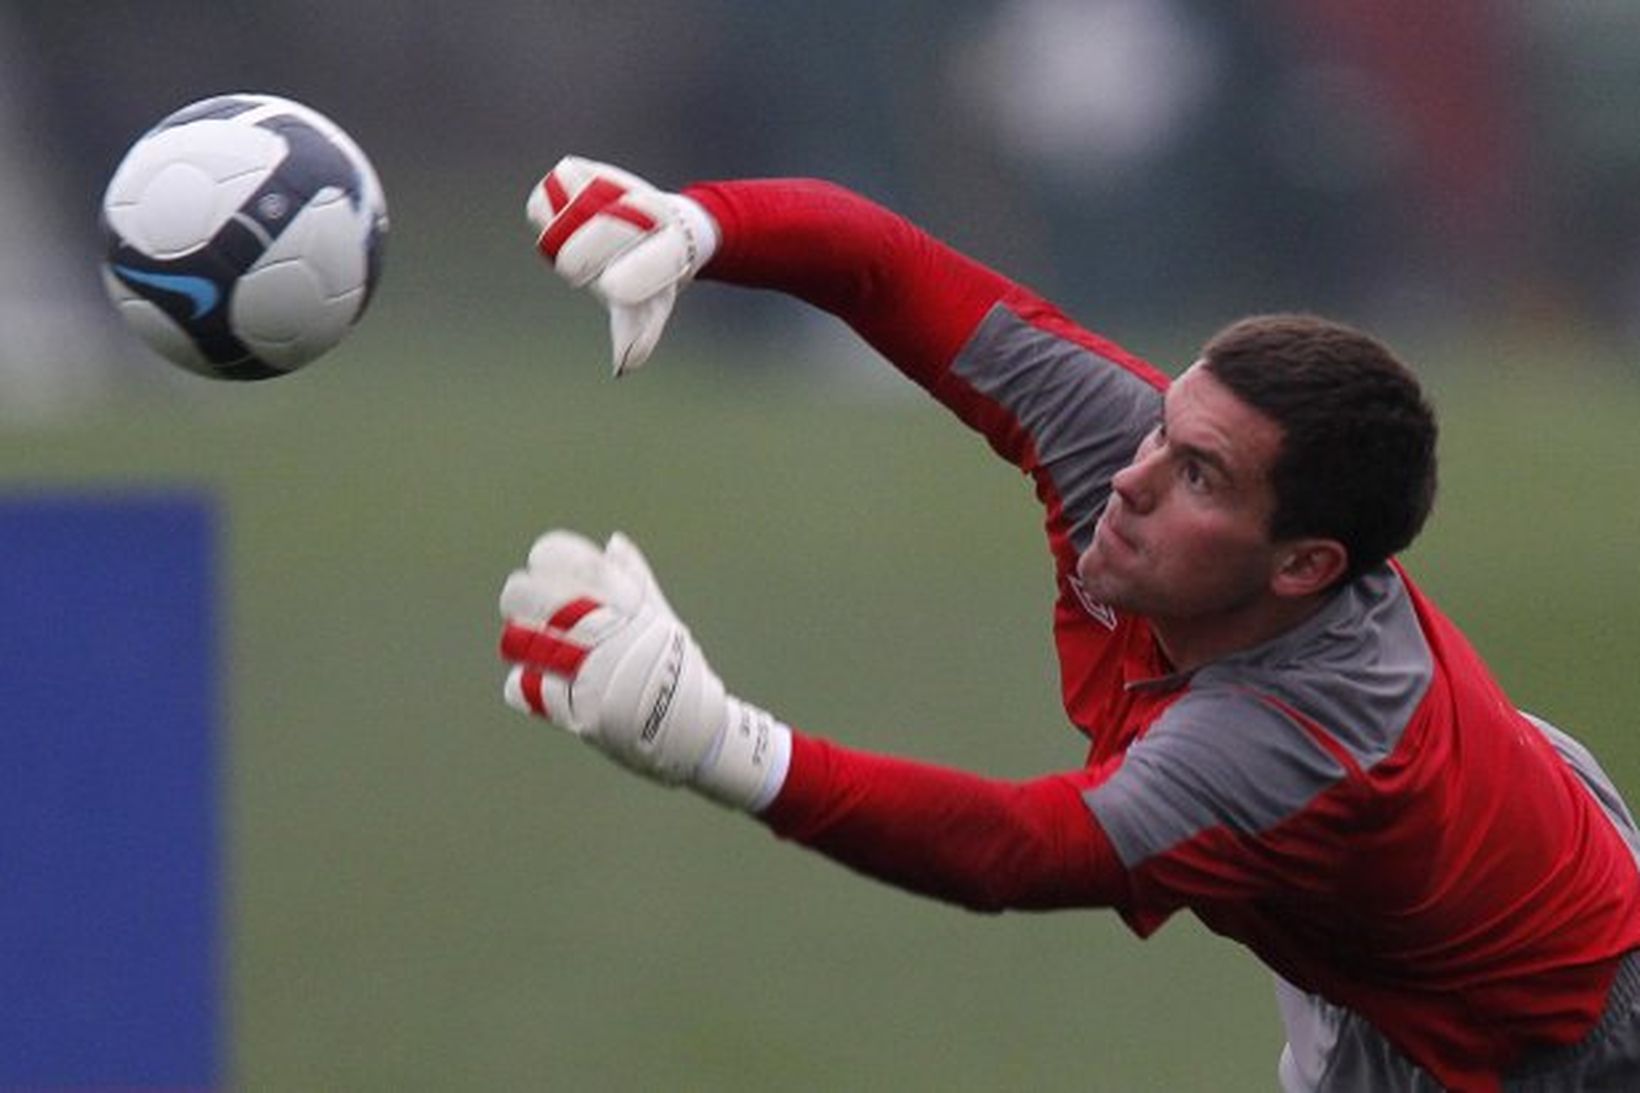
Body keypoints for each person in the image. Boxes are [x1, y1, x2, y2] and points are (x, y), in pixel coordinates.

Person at [497, 156, 1640, 1092]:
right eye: (1166, 426)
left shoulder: (1284, 738)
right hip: (1433, 890)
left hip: (1544, 1040)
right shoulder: (1133, 449)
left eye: (1199, 475)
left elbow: (1020, 848)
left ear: (1302, 565)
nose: (1135, 477)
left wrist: (718, 743)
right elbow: (886, 269)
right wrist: (699, 222)